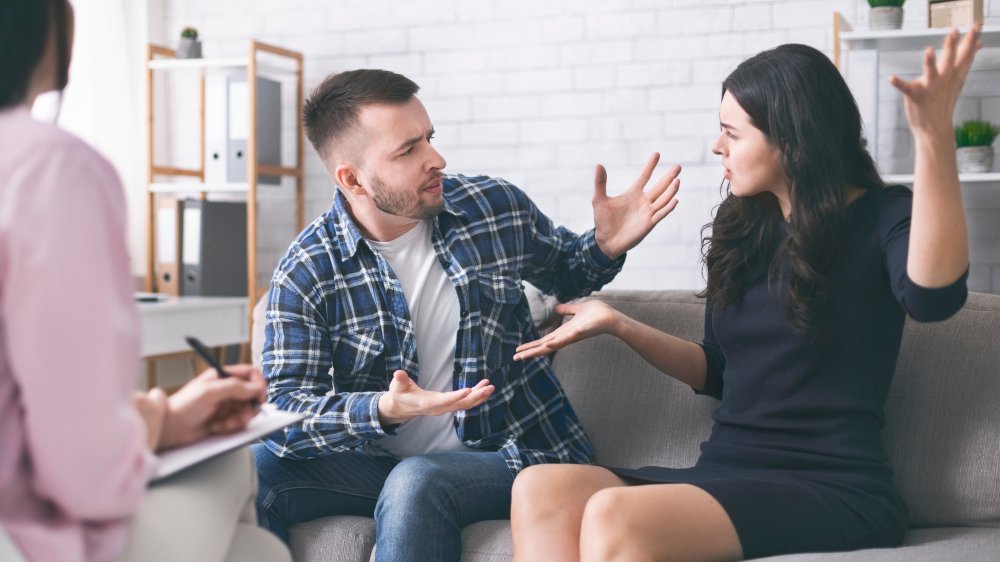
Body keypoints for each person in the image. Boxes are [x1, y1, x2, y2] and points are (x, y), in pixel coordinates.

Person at [509, 28, 981, 562]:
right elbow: (719, 371)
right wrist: (616, 322)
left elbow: (933, 298)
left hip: (831, 485)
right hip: (729, 472)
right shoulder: (743, 226)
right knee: (540, 487)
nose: (717, 147)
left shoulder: (883, 216)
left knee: (611, 514)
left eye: (732, 133)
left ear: (791, 139)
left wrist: (935, 139)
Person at [252, 68, 680, 560]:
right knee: (250, 467)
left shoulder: (490, 207)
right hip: (377, 462)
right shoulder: (308, 269)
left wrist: (603, 246)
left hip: (514, 454)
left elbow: (565, 273)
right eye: (408, 150)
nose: (437, 159)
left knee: (418, 480)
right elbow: (281, 415)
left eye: (428, 138)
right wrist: (381, 410)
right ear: (352, 179)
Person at [0, 2, 290, 561]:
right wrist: (161, 423)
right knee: (238, 477)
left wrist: (167, 415)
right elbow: (84, 470)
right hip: (21, 533)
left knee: (252, 551)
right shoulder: (53, 169)